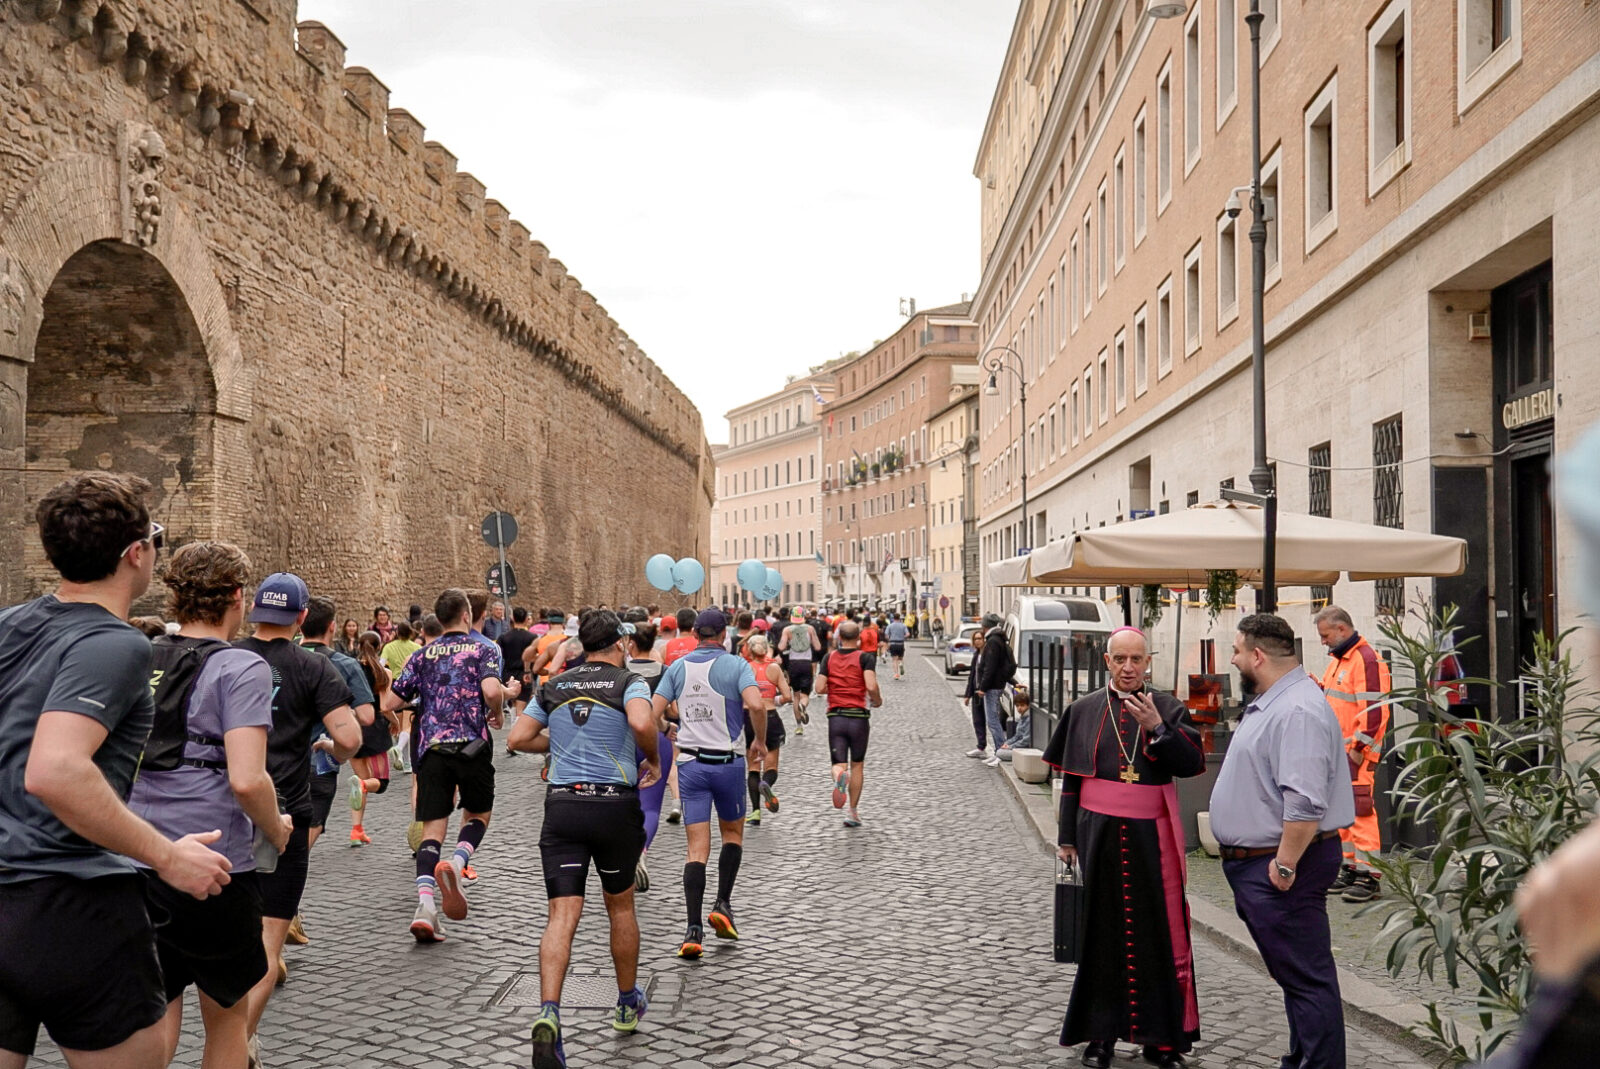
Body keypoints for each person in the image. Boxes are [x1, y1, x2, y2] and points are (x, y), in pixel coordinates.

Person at [0, 473, 233, 1069]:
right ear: (136, 553)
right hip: (72, 902)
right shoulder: (116, 643)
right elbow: (55, 771)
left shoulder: (8, 627)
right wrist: (168, 856)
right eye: (156, 536)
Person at [127, 540, 293, 1069]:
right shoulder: (241, 667)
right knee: (226, 1020)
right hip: (217, 863)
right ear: (239, 597)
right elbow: (247, 779)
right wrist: (277, 827)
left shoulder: (139, 655)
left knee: (156, 1013)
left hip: (139, 855)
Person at [1042, 627, 1207, 1068]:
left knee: (1158, 937)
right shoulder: (1083, 709)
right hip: (1097, 834)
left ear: (1147, 661)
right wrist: (1066, 838)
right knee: (1099, 936)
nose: (1129, 668)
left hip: (1152, 840)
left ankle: (1162, 1040)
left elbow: (1191, 765)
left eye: (1137, 659)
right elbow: (1072, 780)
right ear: (1107, 661)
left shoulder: (1169, 707)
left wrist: (1157, 727)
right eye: (1120, 659)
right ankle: (1100, 1037)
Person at [507, 610, 661, 1069]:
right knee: (620, 906)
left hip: (564, 808)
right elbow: (640, 722)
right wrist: (650, 757)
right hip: (614, 808)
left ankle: (550, 1014)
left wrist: (555, 747)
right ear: (620, 644)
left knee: (561, 915)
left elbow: (517, 737)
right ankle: (626, 1001)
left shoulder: (556, 683)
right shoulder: (628, 681)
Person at [1211, 613, 1354, 1069]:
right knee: (1297, 976)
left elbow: (1306, 801)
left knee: (1308, 978)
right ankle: (1302, 1059)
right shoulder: (1280, 700)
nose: (1232, 660)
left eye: (1236, 651)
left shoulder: (1296, 709)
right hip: (1268, 863)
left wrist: (1285, 865)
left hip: (1282, 865)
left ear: (1257, 655)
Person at [233, 573, 361, 1061]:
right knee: (269, 941)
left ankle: (229, 1040)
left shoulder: (223, 656)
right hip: (283, 813)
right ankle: (239, 1042)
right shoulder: (314, 667)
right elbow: (348, 738)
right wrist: (332, 746)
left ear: (253, 612)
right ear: (302, 617)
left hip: (219, 809)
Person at [383, 589, 515, 942]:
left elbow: (391, 702)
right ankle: (457, 864)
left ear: (439, 620)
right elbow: (490, 691)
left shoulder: (422, 654)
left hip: (431, 750)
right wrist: (498, 711)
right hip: (471, 747)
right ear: (467, 614)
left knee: (431, 832)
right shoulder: (482, 649)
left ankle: (425, 908)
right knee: (477, 814)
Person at [651, 609, 766, 958]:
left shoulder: (677, 667)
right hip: (728, 764)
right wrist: (759, 740)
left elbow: (652, 713)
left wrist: (668, 730)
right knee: (732, 834)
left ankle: (693, 931)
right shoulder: (736, 665)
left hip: (691, 765)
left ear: (697, 634)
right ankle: (723, 904)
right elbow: (756, 704)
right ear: (723, 634)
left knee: (695, 849)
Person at [1312, 605, 1392, 903]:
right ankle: (1351, 867)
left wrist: (1359, 749)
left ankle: (1368, 875)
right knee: (1345, 811)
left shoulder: (1365, 660)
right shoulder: (1341, 659)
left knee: (1359, 811)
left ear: (1342, 630)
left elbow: (1375, 711)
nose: (1322, 641)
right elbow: (1338, 700)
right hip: (1341, 751)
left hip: (1354, 752)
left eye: (1325, 635)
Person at [298, 598, 381, 849]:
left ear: (300, 624)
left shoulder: (282, 657)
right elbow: (367, 716)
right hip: (320, 760)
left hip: (277, 757)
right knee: (311, 825)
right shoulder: (344, 664)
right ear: (332, 627)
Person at [814, 620, 882, 828]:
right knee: (858, 764)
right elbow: (870, 685)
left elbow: (818, 687)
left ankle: (839, 776)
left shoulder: (829, 658)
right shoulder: (865, 658)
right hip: (859, 717)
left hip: (836, 716)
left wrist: (834, 690)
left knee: (838, 763)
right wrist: (877, 700)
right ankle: (852, 812)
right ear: (859, 638)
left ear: (839, 638)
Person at [624, 622, 676, 891]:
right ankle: (641, 851)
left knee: (622, 798)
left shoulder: (621, 670)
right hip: (656, 736)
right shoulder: (665, 672)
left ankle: (619, 852)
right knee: (652, 805)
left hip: (623, 738)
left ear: (631, 642)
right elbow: (673, 709)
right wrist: (668, 726)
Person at [741, 634, 791, 827]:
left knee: (753, 767)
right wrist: (773, 700)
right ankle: (767, 784)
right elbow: (787, 696)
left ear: (750, 649)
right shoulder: (774, 668)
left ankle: (755, 812)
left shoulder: (745, 668)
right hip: (770, 716)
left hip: (749, 717)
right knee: (771, 766)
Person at [971, 614, 1015, 767]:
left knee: (993, 721)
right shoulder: (998, 639)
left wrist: (983, 687)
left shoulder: (993, 642)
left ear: (985, 626)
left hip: (992, 687)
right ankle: (998, 752)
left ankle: (1001, 752)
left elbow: (991, 667)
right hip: (996, 685)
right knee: (993, 721)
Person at [777, 608, 818, 734]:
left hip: (793, 664)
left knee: (796, 695)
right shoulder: (810, 629)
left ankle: (799, 726)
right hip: (806, 663)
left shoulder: (787, 630)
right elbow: (818, 646)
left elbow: (781, 647)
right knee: (805, 695)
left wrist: (788, 643)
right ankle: (803, 705)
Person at [963, 630, 990, 758]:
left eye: (980, 638)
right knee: (977, 720)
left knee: (991, 721)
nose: (977, 641)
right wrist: (968, 694)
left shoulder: (988, 654)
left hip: (986, 692)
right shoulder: (976, 655)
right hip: (976, 692)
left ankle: (997, 748)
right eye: (975, 639)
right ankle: (981, 746)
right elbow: (972, 676)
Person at [997, 686, 1034, 758]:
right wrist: (1006, 743)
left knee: (999, 753)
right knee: (1000, 749)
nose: (1019, 708)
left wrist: (1010, 747)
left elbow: (1025, 741)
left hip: (1024, 750)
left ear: (1028, 706)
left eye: (1022, 705)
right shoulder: (1023, 717)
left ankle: (997, 758)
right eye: (1017, 706)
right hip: (1018, 747)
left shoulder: (1028, 719)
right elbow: (1017, 736)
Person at [884, 613, 909, 680]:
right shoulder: (903, 626)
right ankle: (900, 664)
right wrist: (903, 637)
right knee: (900, 658)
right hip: (900, 644)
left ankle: (896, 674)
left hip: (893, 643)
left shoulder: (890, 626)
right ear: (899, 618)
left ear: (893, 618)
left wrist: (889, 639)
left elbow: (886, 635)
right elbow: (907, 634)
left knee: (894, 660)